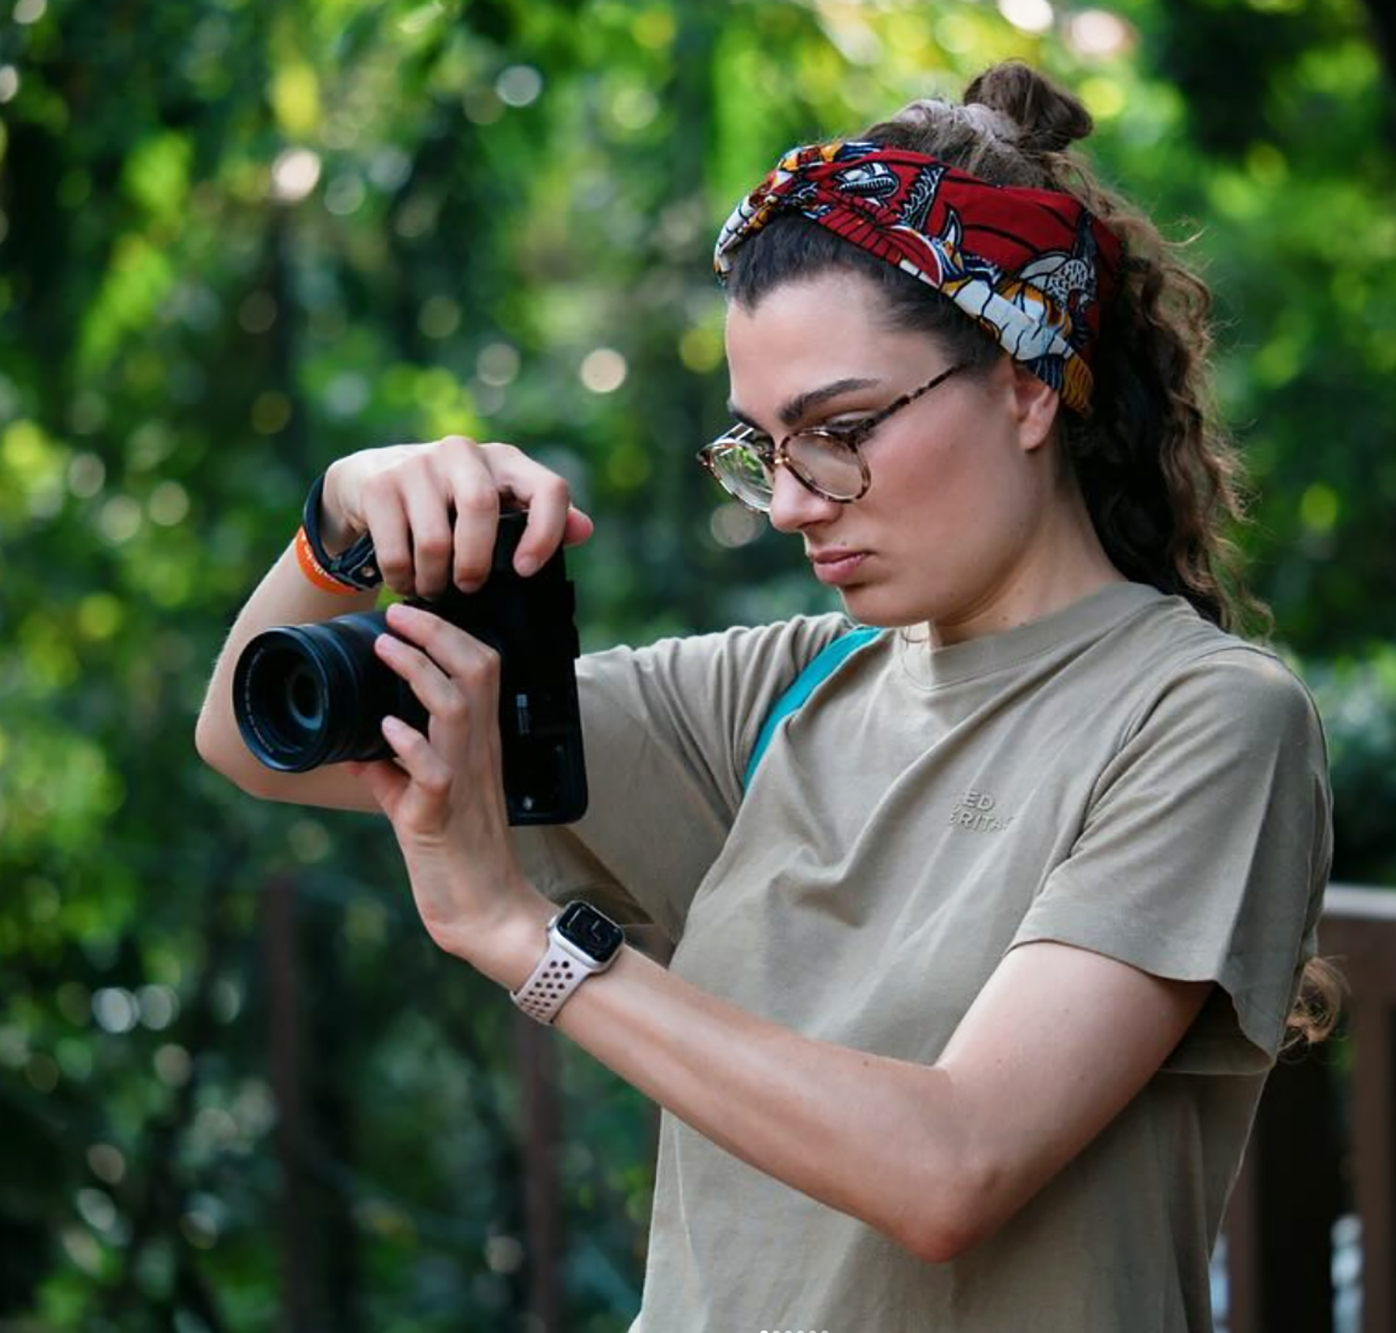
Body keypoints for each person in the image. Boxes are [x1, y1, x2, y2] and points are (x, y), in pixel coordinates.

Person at [196, 60, 1337, 1333]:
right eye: (763, 448)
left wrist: (521, 936)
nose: (791, 503)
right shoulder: (777, 694)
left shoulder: (1199, 717)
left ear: (1028, 381)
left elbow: (953, 1166)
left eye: (839, 429)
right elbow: (251, 742)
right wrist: (342, 517)